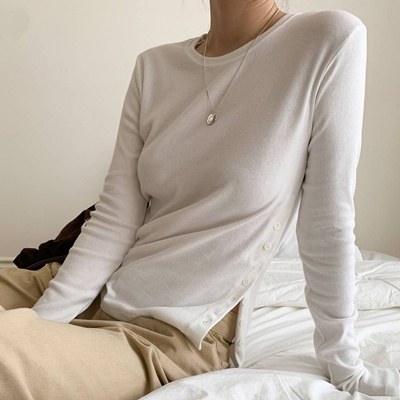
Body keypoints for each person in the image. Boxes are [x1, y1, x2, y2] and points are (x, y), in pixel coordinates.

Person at [0, 0, 399, 398]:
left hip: (173, 336)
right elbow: (115, 220)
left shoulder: (327, 40)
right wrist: (44, 322)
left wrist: (345, 364)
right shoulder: (154, 67)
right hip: (100, 285)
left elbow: (326, 224)